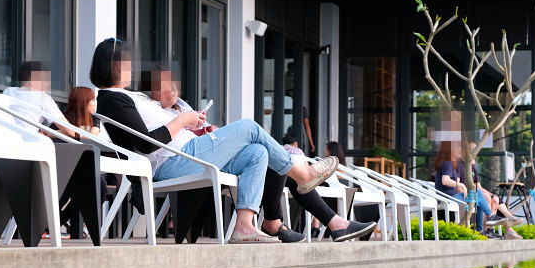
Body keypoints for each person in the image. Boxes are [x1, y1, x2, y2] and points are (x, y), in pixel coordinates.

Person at [91, 38, 338, 244]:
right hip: (174, 161)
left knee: (257, 152)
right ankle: (303, 175)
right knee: (249, 127)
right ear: (115, 65)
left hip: (187, 154)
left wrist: (187, 123)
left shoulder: (127, 96)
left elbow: (154, 131)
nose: (131, 67)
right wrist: (183, 120)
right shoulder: (112, 99)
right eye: (127, 62)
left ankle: (244, 226)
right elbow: (146, 143)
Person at [153, 76, 376, 243]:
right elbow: (163, 142)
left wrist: (204, 127)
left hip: (209, 157)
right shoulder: (157, 114)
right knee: (265, 148)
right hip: (192, 161)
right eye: (164, 87)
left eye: (174, 86)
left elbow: (205, 135)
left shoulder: (182, 112)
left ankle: (328, 222)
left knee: (264, 153)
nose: (171, 91)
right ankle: (279, 219)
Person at [433, 140, 496, 235]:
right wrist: (460, 185)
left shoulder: (450, 163)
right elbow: (445, 180)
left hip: (451, 197)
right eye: (458, 146)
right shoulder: (447, 163)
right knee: (477, 192)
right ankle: (490, 216)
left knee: (478, 201)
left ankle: (480, 230)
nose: (460, 149)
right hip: (448, 198)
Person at [3, 61, 77, 138]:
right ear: (32, 80)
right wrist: (50, 134)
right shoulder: (42, 97)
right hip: (27, 141)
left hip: (5, 139)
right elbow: (71, 132)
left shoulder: (8, 92)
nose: (48, 84)